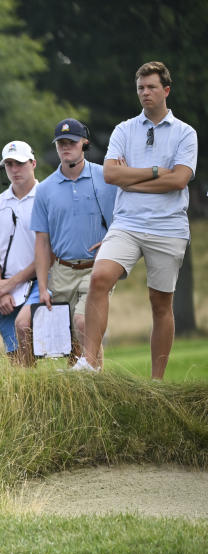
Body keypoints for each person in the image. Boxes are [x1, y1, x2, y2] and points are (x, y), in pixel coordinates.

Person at [83, 61, 198, 379]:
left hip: (168, 227)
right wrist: (155, 170)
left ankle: (156, 382)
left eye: (151, 87)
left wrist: (129, 178)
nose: (145, 93)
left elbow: (179, 181)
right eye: (140, 88)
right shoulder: (124, 130)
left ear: (166, 90)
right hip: (127, 224)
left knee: (160, 303)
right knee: (99, 278)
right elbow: (109, 174)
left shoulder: (185, 134)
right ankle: (89, 365)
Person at [17, 118, 119, 366]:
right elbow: (42, 242)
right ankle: (70, 391)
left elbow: (124, 219)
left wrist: (111, 240)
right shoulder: (46, 189)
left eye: (71, 142)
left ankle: (94, 383)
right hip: (61, 271)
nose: (65, 147)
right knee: (66, 338)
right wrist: (42, 287)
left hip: (96, 268)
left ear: (84, 143)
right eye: (61, 143)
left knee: (85, 324)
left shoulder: (105, 178)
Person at [0, 141, 39, 363]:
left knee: (30, 331)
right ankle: (26, 396)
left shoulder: (46, 197)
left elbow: (48, 254)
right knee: (16, 359)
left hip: (41, 282)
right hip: (7, 290)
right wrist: (1, 290)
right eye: (9, 164)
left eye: (20, 164)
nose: (14, 170)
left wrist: (9, 284)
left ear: (33, 163)